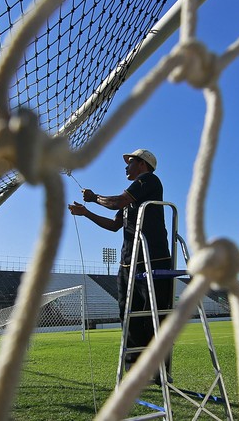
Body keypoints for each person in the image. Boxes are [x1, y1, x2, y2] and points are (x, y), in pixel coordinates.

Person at [68, 148, 173, 373]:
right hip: (128, 262)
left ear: (143, 164)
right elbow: (115, 226)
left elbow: (117, 202)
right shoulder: (129, 198)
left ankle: (158, 369)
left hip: (153, 259)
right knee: (128, 315)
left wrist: (95, 198)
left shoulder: (149, 180)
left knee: (154, 314)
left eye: (130, 162)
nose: (126, 166)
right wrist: (86, 212)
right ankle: (134, 368)